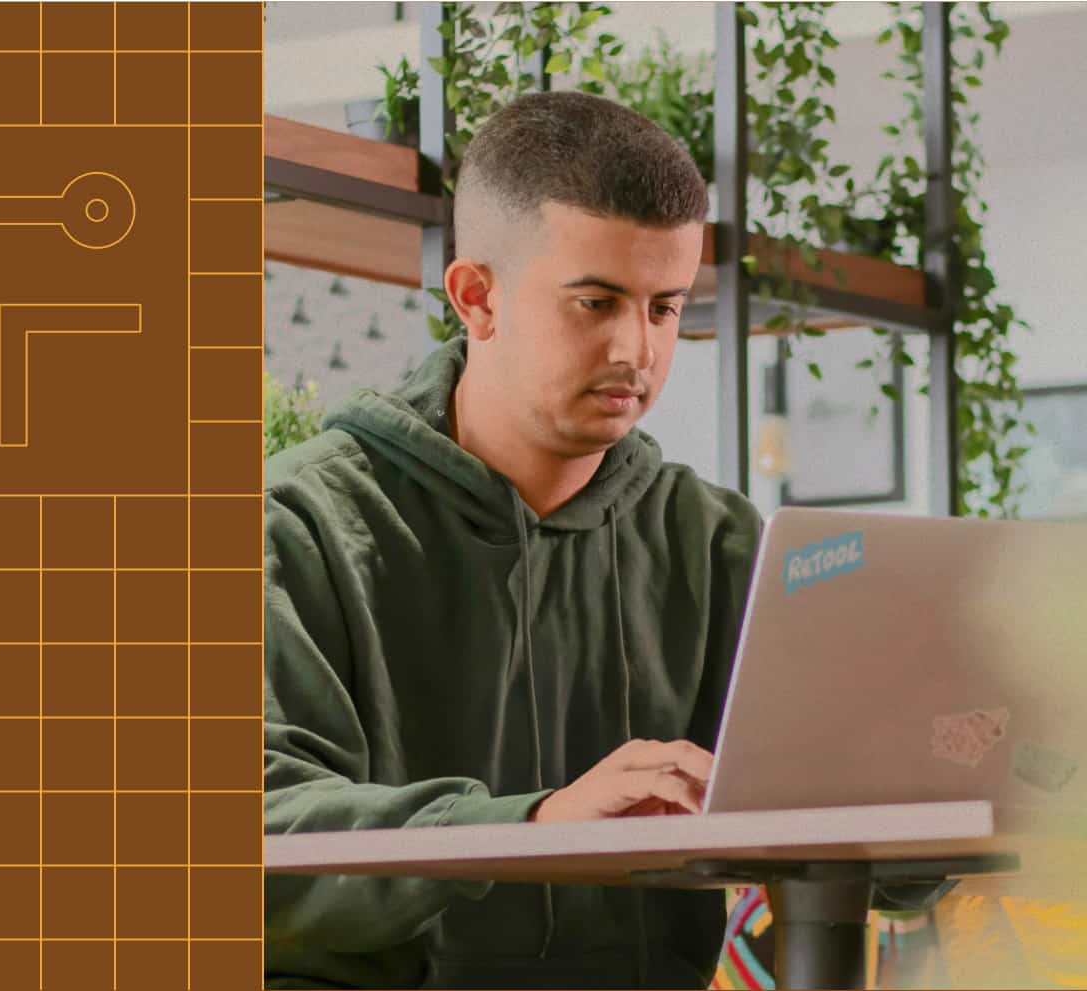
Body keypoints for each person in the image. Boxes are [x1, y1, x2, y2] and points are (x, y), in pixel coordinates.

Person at [263, 90, 763, 989]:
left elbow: (851, 838)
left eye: (665, 307)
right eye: (596, 301)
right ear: (476, 296)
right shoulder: (291, 526)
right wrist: (532, 828)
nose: (637, 351)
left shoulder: (719, 539)